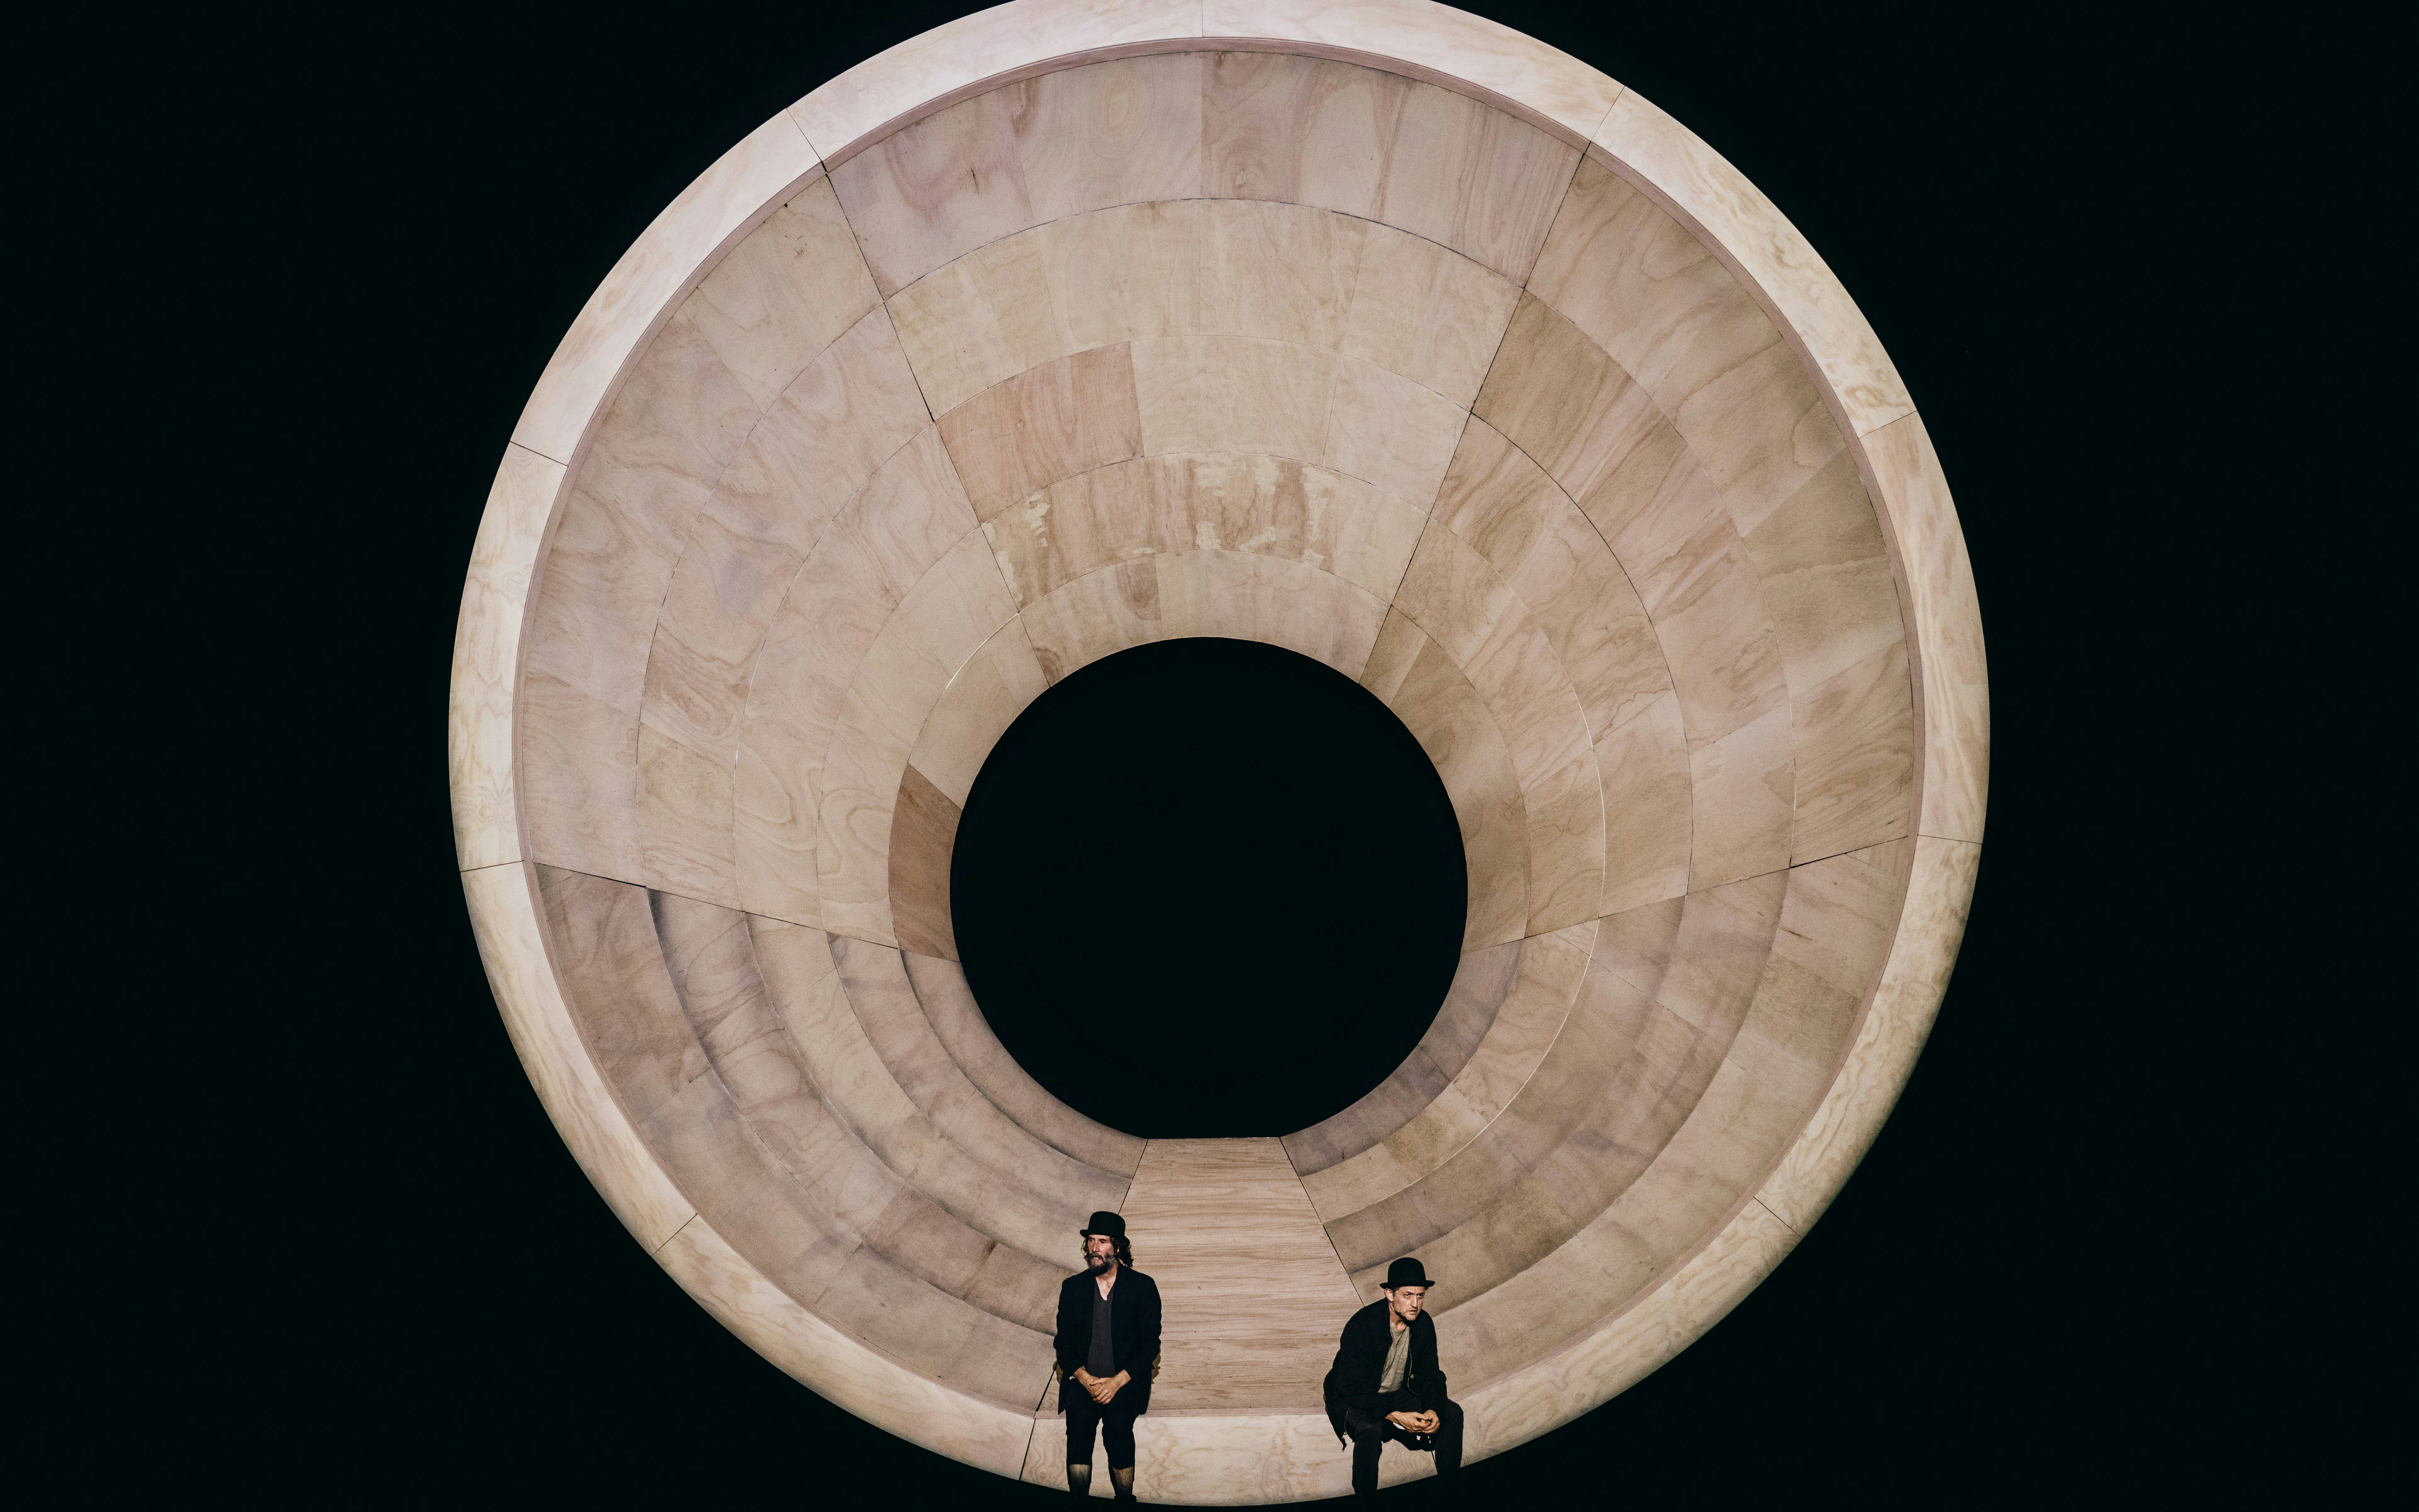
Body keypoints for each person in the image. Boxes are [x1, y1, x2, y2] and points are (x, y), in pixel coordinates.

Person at [1322, 1257, 1464, 1497]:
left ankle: (1450, 1493)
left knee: (1452, 1413)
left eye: (1421, 1296)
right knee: (1370, 1430)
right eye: (1408, 1295)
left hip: (1396, 1391)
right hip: (1356, 1395)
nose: (1415, 1304)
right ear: (1390, 1294)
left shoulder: (1423, 1324)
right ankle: (1367, 1503)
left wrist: (1433, 1410)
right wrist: (1398, 1417)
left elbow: (1433, 1376)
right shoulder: (1363, 1326)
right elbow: (1350, 1388)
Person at [1053, 1210, 1162, 1502]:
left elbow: (1150, 1345)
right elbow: (1063, 1343)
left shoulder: (1142, 1287)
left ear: (1118, 1247)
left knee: (1118, 1430)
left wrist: (1116, 1383)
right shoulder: (1073, 1288)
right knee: (1078, 1429)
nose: (1094, 1249)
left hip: (1124, 1383)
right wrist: (1086, 1379)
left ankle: (1125, 1502)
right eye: (1091, 1241)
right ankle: (1079, 1502)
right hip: (1083, 1381)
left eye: (1102, 1242)